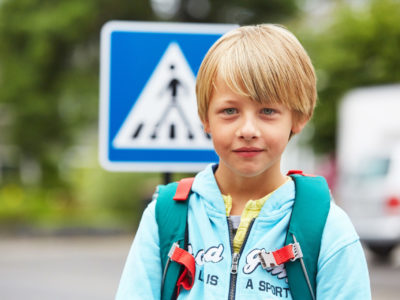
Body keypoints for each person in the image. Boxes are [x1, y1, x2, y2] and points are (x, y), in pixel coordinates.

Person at [116, 24, 371, 299]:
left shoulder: (327, 229)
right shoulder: (164, 217)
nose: (248, 129)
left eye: (268, 111)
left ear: (298, 117)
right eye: (229, 110)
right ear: (205, 118)